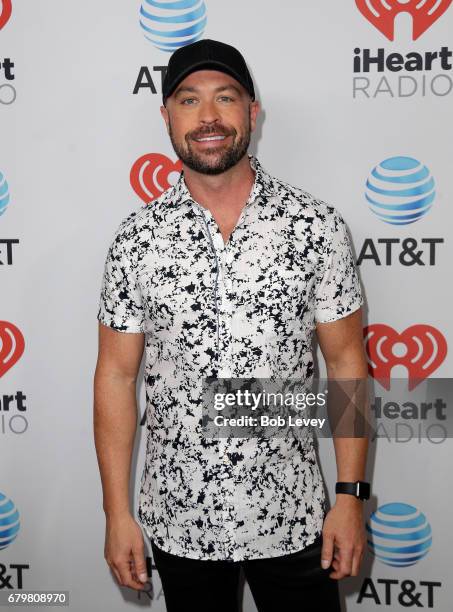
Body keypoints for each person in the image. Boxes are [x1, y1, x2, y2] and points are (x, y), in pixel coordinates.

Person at [93, 38, 370, 612]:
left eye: (226, 98)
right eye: (190, 101)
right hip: (180, 521)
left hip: (296, 519)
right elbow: (116, 377)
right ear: (167, 116)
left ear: (252, 110)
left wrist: (350, 497)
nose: (209, 117)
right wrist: (117, 514)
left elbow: (346, 365)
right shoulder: (135, 241)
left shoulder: (315, 227)